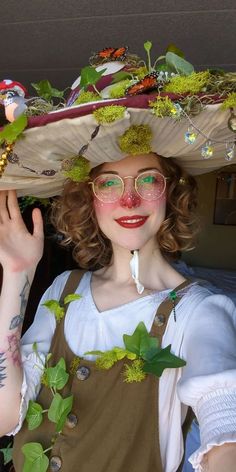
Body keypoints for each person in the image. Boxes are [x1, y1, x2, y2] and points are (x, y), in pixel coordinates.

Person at [0, 43, 235, 472]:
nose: (129, 200)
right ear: (88, 200)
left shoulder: (201, 312)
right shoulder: (63, 289)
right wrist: (17, 275)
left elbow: (225, 417)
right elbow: (6, 416)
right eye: (108, 184)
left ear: (172, 193)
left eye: (147, 180)